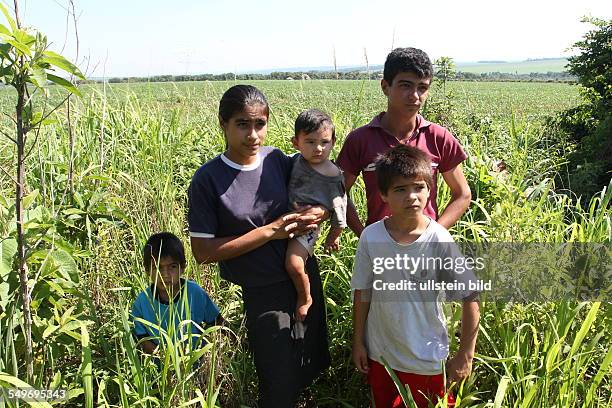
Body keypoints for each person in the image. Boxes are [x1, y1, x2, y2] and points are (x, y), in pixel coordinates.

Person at [187, 85, 331, 407]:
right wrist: (271, 231)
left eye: (260, 124)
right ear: (223, 124)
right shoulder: (208, 179)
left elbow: (320, 178)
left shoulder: (277, 159)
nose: (253, 134)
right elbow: (203, 252)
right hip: (262, 291)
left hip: (303, 276)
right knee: (277, 378)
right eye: (242, 124)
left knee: (306, 362)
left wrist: (321, 210)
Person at [351, 145, 480, 408]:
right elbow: (363, 292)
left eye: (419, 187)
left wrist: (466, 354)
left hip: (427, 359)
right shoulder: (371, 237)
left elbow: (471, 297)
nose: (412, 197)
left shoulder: (439, 239)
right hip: (381, 355)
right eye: (400, 189)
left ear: (429, 190)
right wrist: (358, 343)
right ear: (384, 194)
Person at [336, 47, 471, 236]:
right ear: (385, 86)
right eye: (405, 85)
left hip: (426, 253)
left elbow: (462, 194)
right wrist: (365, 236)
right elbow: (339, 192)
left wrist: (433, 235)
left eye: (422, 88)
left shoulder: (438, 137)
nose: (414, 96)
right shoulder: (360, 140)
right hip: (381, 251)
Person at [286, 109, 347, 321]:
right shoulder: (295, 160)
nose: (318, 148)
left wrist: (333, 237)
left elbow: (340, 211)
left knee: (293, 263)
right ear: (296, 142)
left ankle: (305, 298)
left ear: (333, 142)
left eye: (324, 142)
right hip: (286, 221)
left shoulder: (333, 176)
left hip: (307, 228)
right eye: (310, 142)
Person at [131, 232, 221, 355]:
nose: (165, 274)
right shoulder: (142, 302)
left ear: (183, 267)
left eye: (172, 266)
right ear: (147, 270)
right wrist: (168, 360)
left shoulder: (194, 293)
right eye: (157, 268)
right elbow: (142, 338)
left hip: (195, 362)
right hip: (161, 368)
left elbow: (218, 322)